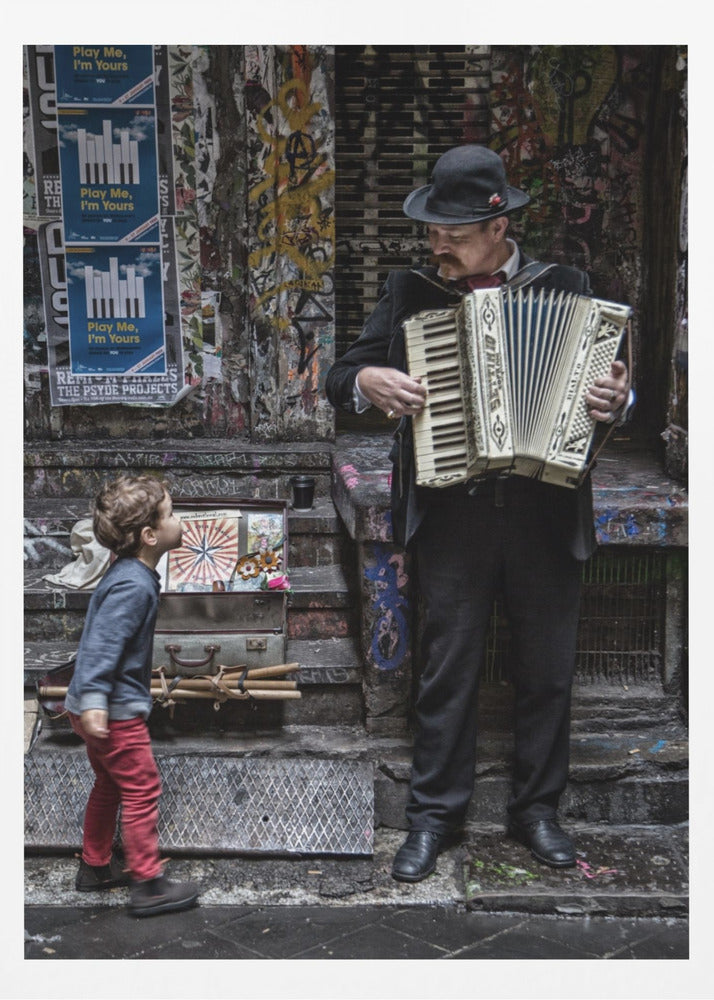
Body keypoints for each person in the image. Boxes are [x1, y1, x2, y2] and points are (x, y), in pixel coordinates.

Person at [325, 144, 631, 882]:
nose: (437, 247)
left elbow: (609, 397)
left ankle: (537, 813)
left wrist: (616, 405)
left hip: (546, 511)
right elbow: (340, 377)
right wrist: (369, 377)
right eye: (432, 233)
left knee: (547, 671)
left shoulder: (570, 287)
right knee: (447, 670)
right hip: (452, 511)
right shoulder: (410, 297)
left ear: (497, 227)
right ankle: (434, 818)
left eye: (452, 235)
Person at [64, 475, 201, 916]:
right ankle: (149, 885)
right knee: (142, 788)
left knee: (109, 783)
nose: (179, 521)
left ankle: (96, 866)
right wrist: (97, 701)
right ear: (149, 536)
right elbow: (104, 645)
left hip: (95, 707)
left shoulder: (128, 572)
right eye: (171, 515)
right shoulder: (133, 585)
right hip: (113, 712)